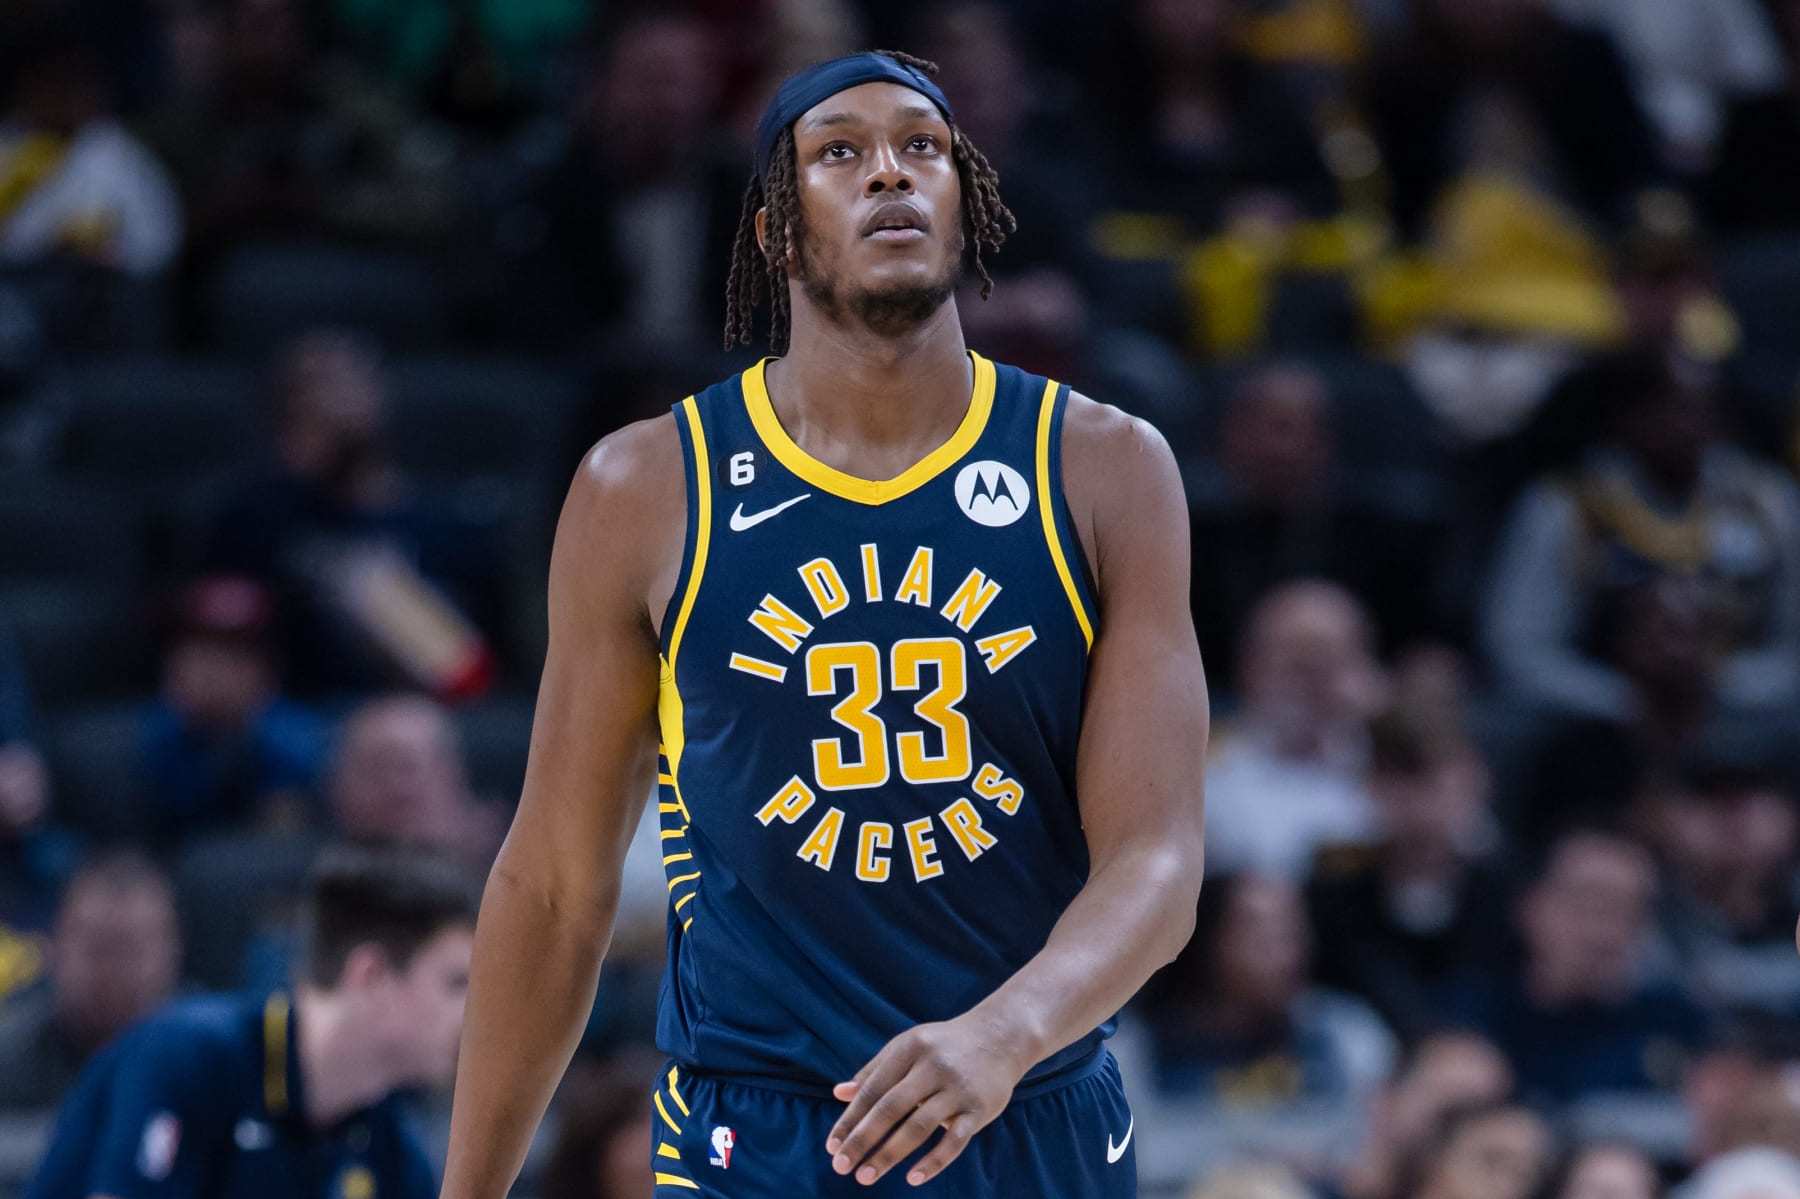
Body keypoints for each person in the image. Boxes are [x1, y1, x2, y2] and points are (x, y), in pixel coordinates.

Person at [441, 50, 1209, 1199]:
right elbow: (554, 886)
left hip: (1030, 1099)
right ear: (775, 232)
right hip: (761, 1126)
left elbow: (1157, 861)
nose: (891, 173)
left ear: (967, 205)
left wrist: (1005, 1032)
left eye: (923, 149)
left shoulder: (1103, 466)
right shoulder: (649, 485)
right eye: (840, 152)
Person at [27, 844, 479, 1199]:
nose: (472, 1012)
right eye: (456, 982)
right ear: (371, 977)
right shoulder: (188, 1055)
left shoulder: (391, 1145)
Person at [1203, 580, 1387, 880]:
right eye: (1297, 667)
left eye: (1331, 664)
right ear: (1251, 667)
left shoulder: (1393, 763)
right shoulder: (1205, 767)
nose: (1314, 687)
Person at [0, 853, 181, 1110]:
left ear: (171, 951)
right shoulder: (8, 1051)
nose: (112, 970)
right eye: (98, 949)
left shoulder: (211, 1056)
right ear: (55, 946)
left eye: (129, 950)